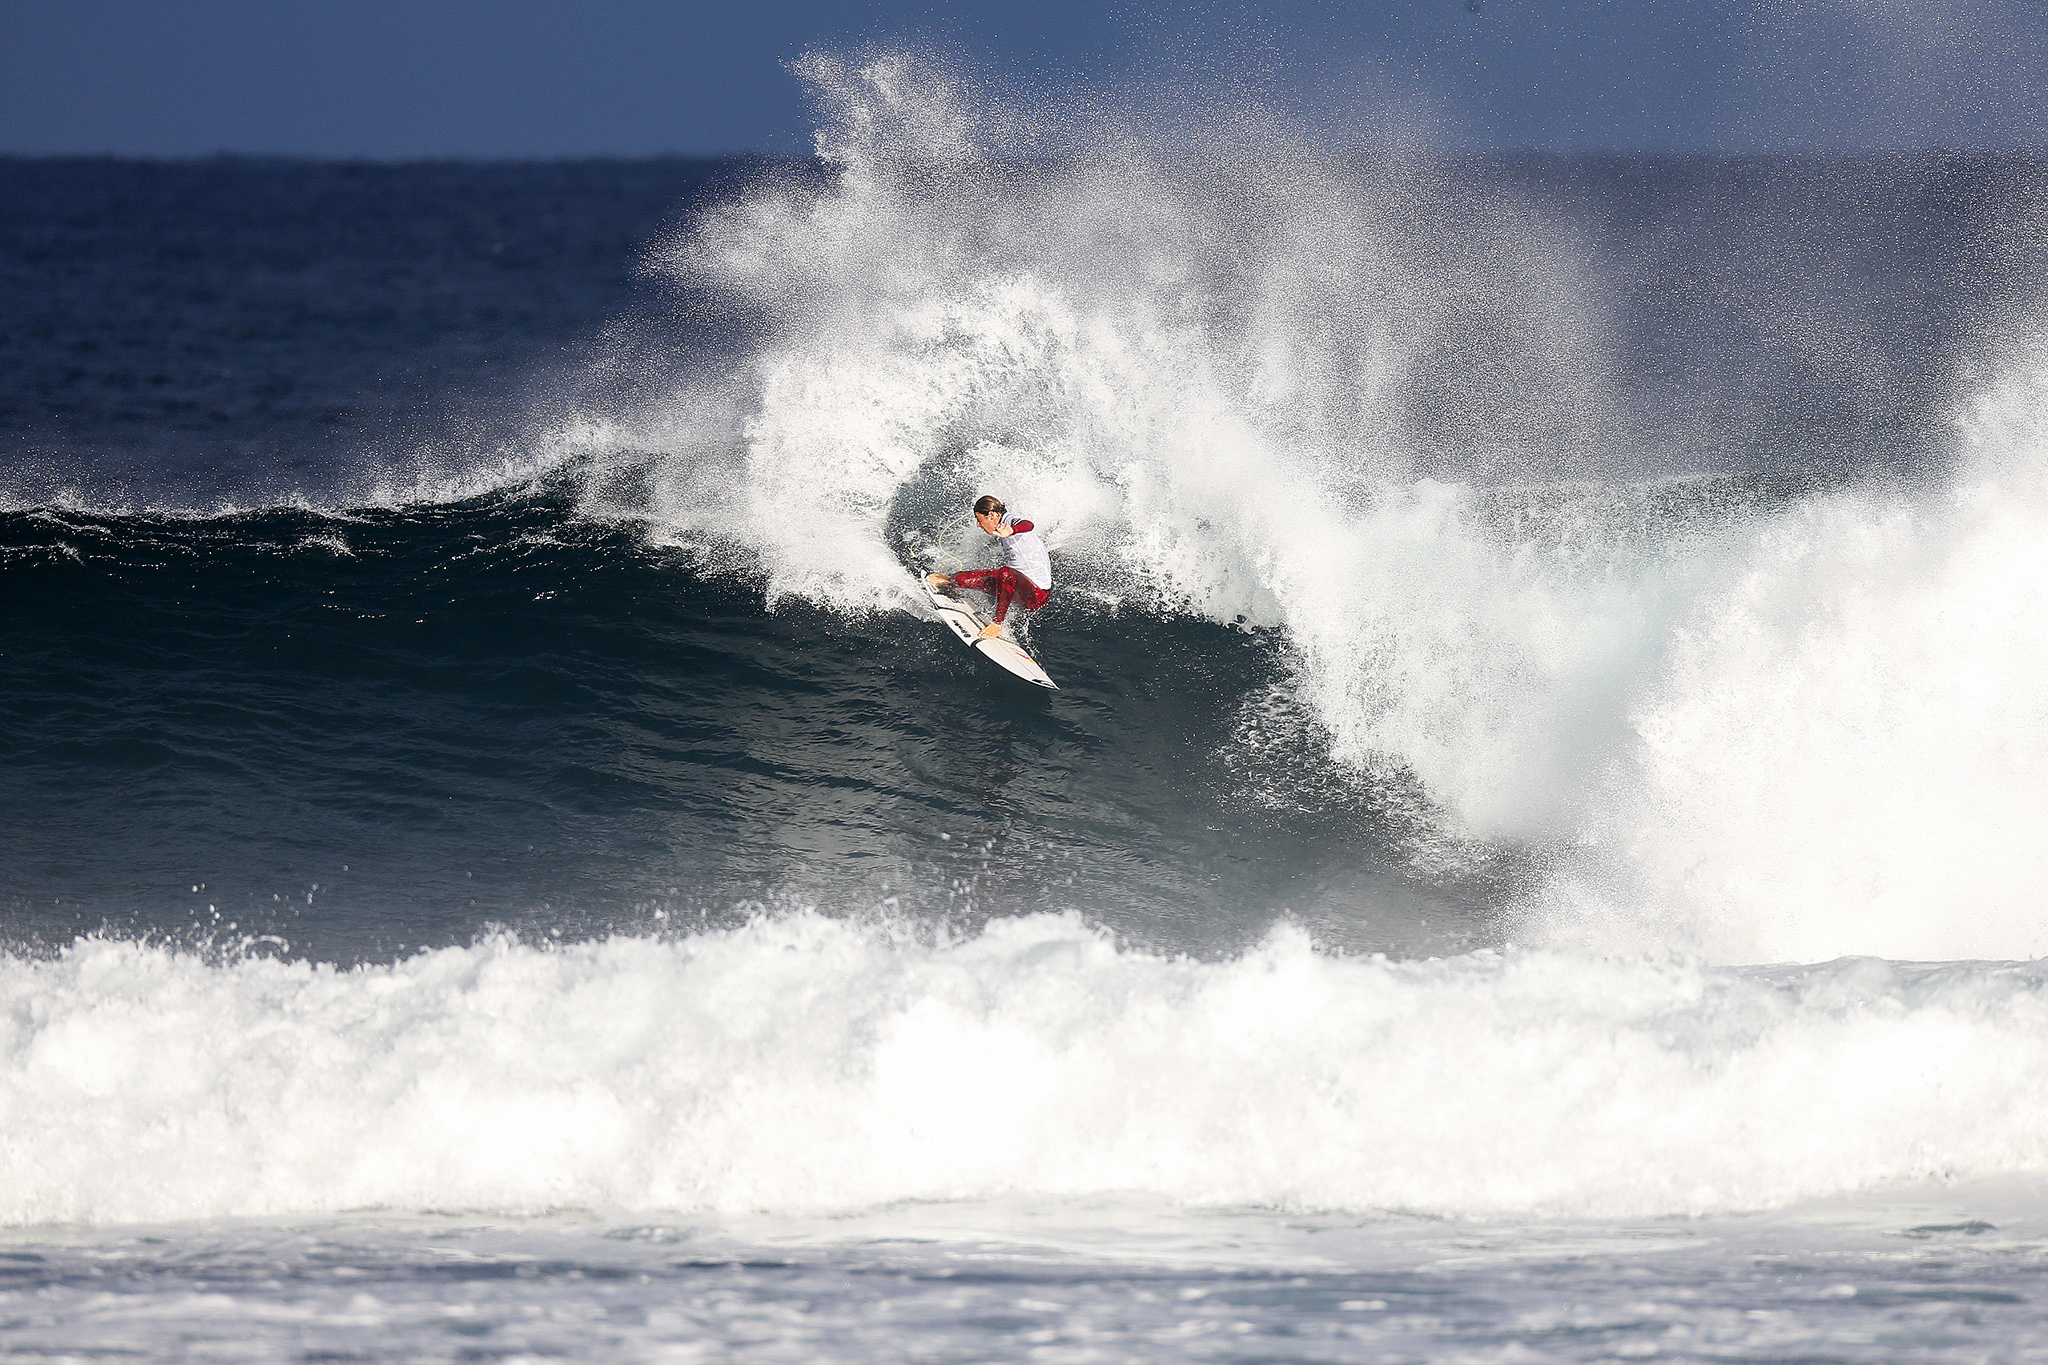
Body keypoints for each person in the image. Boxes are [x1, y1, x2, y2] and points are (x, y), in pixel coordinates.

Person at [927, 495, 1053, 640]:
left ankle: (997, 624)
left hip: (1037, 596)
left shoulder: (1011, 521)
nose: (978, 525)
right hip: (1017, 585)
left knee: (1005, 573)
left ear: (991, 515)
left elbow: (1028, 524)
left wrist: (1011, 530)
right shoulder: (1001, 524)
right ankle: (951, 580)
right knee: (962, 580)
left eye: (979, 520)